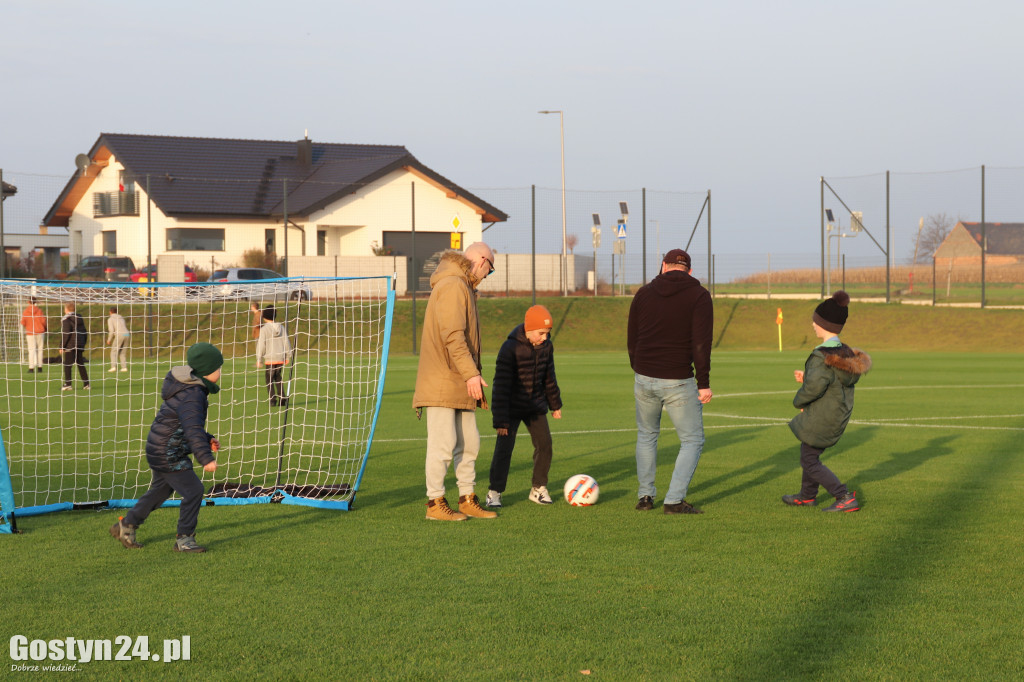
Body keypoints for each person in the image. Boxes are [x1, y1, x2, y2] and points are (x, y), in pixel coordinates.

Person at [109, 342, 223, 553]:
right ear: (208, 370)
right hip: (168, 453)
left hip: (159, 447)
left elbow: (183, 424)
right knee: (194, 490)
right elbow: (191, 428)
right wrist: (205, 457)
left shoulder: (188, 388)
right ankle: (185, 540)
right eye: (218, 367)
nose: (221, 371)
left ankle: (126, 525)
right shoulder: (194, 394)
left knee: (159, 491)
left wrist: (206, 438)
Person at [412, 242, 498, 521]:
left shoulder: (463, 286)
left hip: (458, 379)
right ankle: (435, 503)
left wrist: (469, 374)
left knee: (469, 442)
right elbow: (453, 336)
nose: (488, 275)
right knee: (443, 443)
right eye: (490, 269)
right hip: (443, 379)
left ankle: (467, 498)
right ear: (482, 261)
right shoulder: (453, 284)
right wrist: (472, 373)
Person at [627, 249, 713, 514]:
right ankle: (674, 500)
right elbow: (701, 343)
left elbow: (632, 337)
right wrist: (704, 382)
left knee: (647, 436)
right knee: (692, 440)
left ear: (663, 266)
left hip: (644, 377)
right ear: (688, 269)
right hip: (677, 379)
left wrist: (639, 367)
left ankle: (645, 497)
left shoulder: (643, 293)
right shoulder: (699, 296)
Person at [783, 291, 871, 513]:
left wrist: (799, 399)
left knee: (809, 460)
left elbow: (815, 387)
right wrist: (807, 377)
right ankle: (807, 496)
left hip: (822, 414)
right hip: (836, 413)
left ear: (822, 324)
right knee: (809, 452)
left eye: (815, 321)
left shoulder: (821, 355)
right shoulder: (845, 352)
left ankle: (843, 496)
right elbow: (832, 380)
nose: (813, 325)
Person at [486, 305, 563, 507]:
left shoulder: (547, 347)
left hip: (534, 406)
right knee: (504, 449)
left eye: (547, 333)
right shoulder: (510, 348)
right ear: (529, 330)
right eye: (541, 333)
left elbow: (549, 377)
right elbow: (500, 386)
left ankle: (538, 488)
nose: (545, 337)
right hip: (510, 408)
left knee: (545, 445)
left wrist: (555, 404)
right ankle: (494, 492)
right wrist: (501, 420)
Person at [255, 305, 292, 407]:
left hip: (270, 359)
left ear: (264, 316)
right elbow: (286, 341)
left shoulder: (264, 329)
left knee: (269, 380)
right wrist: (288, 356)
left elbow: (261, 344)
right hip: (280, 358)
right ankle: (282, 398)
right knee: (278, 378)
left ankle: (272, 400)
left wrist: (259, 358)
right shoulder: (282, 327)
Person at [60, 302, 90, 392]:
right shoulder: (79, 318)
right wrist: (83, 343)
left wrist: (62, 346)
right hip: (79, 344)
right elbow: (85, 332)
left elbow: (66, 334)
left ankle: (68, 384)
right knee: (80, 364)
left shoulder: (66, 319)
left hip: (71, 345)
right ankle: (87, 384)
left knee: (68, 365)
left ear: (66, 309)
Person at [20, 297, 47, 374]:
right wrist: (45, 328)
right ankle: (40, 367)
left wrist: (29, 326)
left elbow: (23, 322)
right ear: (35, 302)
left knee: (31, 350)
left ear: (28, 302)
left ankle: (31, 368)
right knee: (40, 350)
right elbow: (43, 321)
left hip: (30, 332)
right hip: (40, 331)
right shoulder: (39, 311)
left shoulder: (26, 312)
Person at [106, 306, 130, 373]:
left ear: (110, 312)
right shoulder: (121, 317)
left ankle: (113, 367)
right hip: (127, 334)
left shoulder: (110, 319)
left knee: (114, 351)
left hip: (120, 334)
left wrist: (109, 339)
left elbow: (111, 330)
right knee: (122, 352)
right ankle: (124, 367)